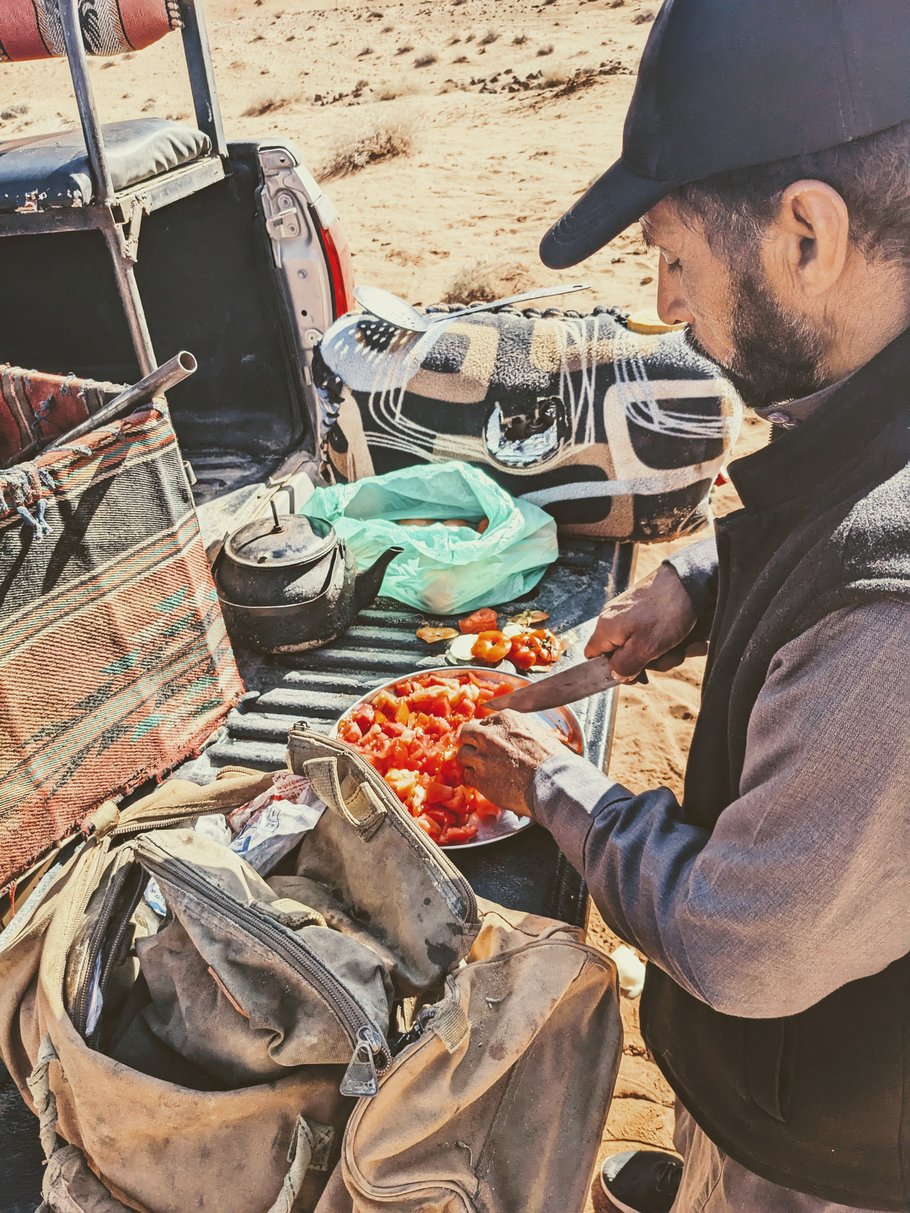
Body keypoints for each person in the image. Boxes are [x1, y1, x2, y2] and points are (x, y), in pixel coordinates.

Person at [457, 2, 910, 1211]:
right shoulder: (872, 382)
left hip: (836, 1139)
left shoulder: (889, 622)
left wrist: (555, 783)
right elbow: (840, 497)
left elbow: (742, 945)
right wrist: (699, 587)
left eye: (674, 254)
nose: (664, 305)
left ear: (806, 232)